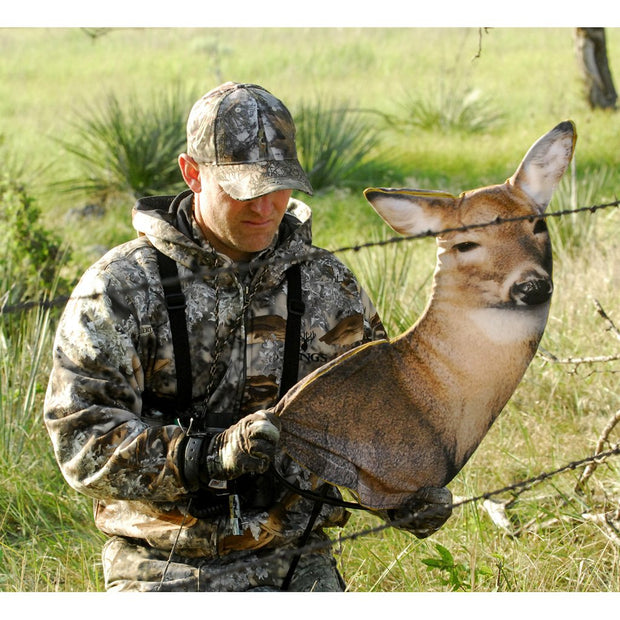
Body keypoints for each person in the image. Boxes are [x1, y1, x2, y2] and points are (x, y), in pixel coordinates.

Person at [44, 82, 452, 592]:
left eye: (279, 185)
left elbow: (376, 420)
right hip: (163, 566)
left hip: (299, 563)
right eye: (242, 188)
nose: (265, 206)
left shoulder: (328, 286)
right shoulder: (121, 288)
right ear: (191, 173)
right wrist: (206, 456)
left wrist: (403, 492)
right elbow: (81, 436)